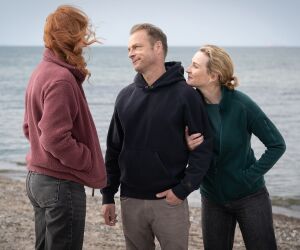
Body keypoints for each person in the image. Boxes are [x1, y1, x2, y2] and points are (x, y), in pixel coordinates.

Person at [101, 23, 213, 250]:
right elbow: (113, 149)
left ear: (158, 47)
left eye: (137, 47)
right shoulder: (125, 96)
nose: (131, 53)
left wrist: (183, 189)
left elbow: (204, 147)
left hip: (169, 202)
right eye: (129, 49)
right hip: (130, 200)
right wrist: (107, 196)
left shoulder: (186, 95)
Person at [185, 44, 286, 250]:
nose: (188, 69)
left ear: (214, 75)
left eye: (195, 66)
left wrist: (247, 177)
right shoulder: (191, 106)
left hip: (250, 197)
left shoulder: (242, 105)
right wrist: (185, 146)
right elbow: (175, 147)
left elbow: (277, 145)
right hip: (212, 199)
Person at [23, 5, 107, 250]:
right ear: (70, 36)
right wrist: (86, 159)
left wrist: (41, 151)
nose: (85, 38)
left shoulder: (41, 72)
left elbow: (29, 127)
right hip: (59, 184)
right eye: (81, 32)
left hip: (37, 179)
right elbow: (53, 137)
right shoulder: (61, 78)